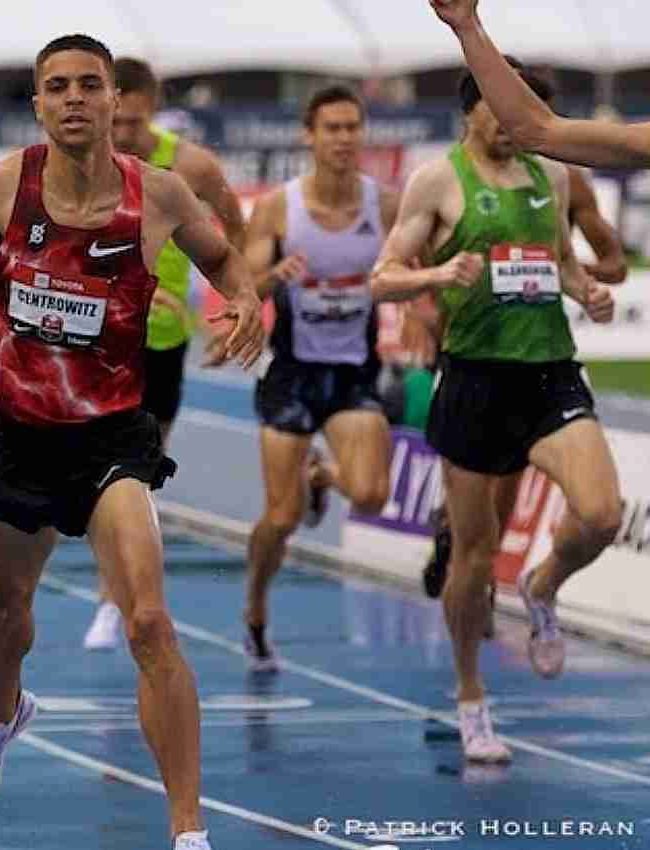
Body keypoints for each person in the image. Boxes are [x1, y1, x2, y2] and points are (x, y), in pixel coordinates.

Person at [0, 34, 265, 850]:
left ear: (115, 102)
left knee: (149, 622)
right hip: (20, 431)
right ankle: (1, 716)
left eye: (89, 85)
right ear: (37, 104)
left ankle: (188, 832)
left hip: (110, 437)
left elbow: (228, 260)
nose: (74, 98)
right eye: (57, 86)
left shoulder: (163, 196)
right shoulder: (3, 186)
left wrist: (245, 302)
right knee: (3, 608)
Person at [370, 62, 620, 764]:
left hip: (548, 375)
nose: (517, 120)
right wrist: (434, 275)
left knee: (600, 514)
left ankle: (542, 585)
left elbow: (563, 266)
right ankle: (470, 697)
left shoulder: (556, 177)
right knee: (473, 558)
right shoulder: (436, 180)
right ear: (471, 109)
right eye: (505, 107)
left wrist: (587, 294)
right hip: (474, 382)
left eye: (530, 108)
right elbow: (381, 278)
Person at [85, 56, 248, 651]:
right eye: (114, 120)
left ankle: (122, 597)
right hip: (95, 341)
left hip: (162, 340)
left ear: (152, 108)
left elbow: (234, 231)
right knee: (103, 474)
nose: (121, 133)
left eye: (132, 122)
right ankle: (113, 595)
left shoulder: (191, 165)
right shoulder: (88, 159)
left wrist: (236, 301)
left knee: (138, 475)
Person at [236, 86, 401, 672]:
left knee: (374, 493)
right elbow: (243, 287)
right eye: (331, 128)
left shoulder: (385, 205)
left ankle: (322, 476)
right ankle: (256, 606)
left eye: (352, 127)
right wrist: (272, 277)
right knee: (280, 519)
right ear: (309, 136)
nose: (343, 138)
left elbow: (413, 270)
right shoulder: (280, 209)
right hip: (291, 374)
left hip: (354, 373)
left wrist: (426, 313)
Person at [430, 0, 650, 169]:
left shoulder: (557, 178)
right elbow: (537, 130)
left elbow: (537, 131)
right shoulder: (436, 180)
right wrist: (468, 26)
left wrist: (468, 26)